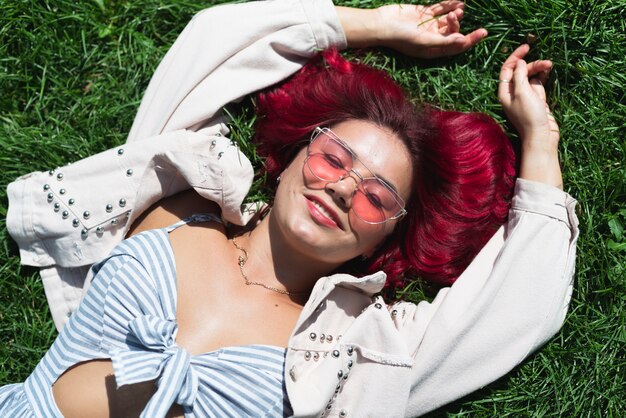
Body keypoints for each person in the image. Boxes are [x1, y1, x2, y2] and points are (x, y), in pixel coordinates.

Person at [0, 0, 578, 417]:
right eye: (333, 158)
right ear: (294, 153)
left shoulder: (354, 346)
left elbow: (517, 306)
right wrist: (375, 24)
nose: (346, 188)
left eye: (378, 198)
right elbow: (213, 42)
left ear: (384, 241)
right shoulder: (175, 200)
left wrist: (540, 139)